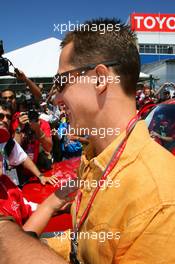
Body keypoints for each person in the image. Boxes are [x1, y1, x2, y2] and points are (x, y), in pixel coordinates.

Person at [1, 17, 175, 264]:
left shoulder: (159, 200)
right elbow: (82, 243)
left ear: (100, 79)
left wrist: (6, 235)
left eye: (61, 82)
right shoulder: (93, 158)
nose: (56, 98)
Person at [0, 100, 57, 186]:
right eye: (1, 116)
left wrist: (41, 176)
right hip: (16, 173)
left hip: (15, 181)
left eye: (8, 117)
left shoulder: (7, 140)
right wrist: (19, 127)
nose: (5, 120)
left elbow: (22, 157)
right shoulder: (16, 123)